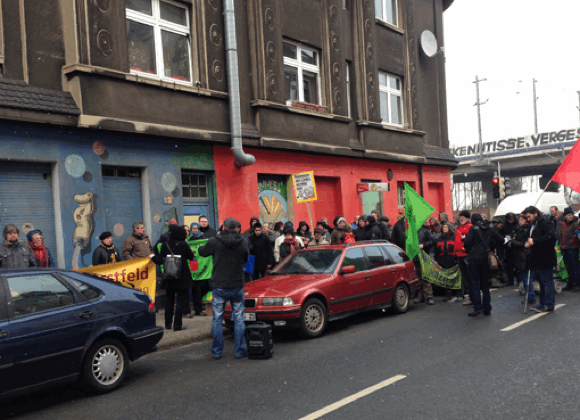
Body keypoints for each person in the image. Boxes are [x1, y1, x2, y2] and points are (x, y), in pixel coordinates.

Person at [198, 217, 249, 359]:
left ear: (224, 227)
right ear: (236, 228)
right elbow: (245, 258)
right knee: (239, 318)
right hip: (237, 283)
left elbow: (202, 252)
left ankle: (217, 351)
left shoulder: (215, 240)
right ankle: (240, 350)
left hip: (219, 284)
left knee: (217, 319)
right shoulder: (243, 241)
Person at [152, 226, 195, 331]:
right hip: (182, 277)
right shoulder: (183, 244)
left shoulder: (165, 245)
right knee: (180, 301)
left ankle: (167, 324)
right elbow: (190, 257)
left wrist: (152, 256)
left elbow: (160, 260)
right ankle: (177, 325)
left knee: (169, 300)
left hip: (169, 276)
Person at [463, 213, 503, 317]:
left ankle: (477, 307)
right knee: (485, 284)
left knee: (474, 283)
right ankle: (487, 308)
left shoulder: (473, 228)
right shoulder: (490, 227)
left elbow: (467, 242)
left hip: (474, 258)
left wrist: (464, 239)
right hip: (486, 257)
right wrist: (491, 247)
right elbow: (500, 239)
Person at [523, 206, 557, 313]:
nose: (528, 219)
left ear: (535, 214)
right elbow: (529, 238)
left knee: (547, 281)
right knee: (542, 282)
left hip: (546, 257)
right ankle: (542, 303)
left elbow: (551, 237)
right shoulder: (532, 225)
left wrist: (535, 241)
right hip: (537, 257)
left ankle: (549, 304)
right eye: (526, 217)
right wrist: (527, 243)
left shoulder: (545, 223)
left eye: (529, 216)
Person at [512, 213, 536, 305]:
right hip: (519, 255)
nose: (519, 221)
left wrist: (514, 242)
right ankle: (529, 295)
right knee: (524, 277)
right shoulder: (519, 229)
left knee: (527, 278)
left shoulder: (527, 229)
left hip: (524, 255)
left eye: (521, 219)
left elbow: (523, 243)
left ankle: (531, 296)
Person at [556, 206, 580, 291]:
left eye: (571, 215)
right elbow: (558, 234)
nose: (571, 216)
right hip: (564, 247)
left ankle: (577, 284)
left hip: (573, 247)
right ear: (565, 216)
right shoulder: (561, 224)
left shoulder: (576, 223)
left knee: (575, 266)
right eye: (569, 215)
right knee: (568, 267)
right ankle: (570, 284)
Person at [434, 224, 460, 302]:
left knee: (456, 277)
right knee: (446, 278)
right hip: (443, 261)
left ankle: (459, 293)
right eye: (443, 227)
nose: (444, 229)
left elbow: (457, 247)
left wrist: (456, 258)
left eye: (446, 227)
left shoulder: (454, 237)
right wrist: (438, 260)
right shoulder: (439, 239)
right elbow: (436, 251)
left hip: (453, 260)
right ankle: (448, 293)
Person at [414, 220, 435, 305]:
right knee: (418, 277)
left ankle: (429, 296)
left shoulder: (425, 231)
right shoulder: (410, 232)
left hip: (424, 256)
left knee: (425, 276)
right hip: (415, 257)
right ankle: (420, 296)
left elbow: (432, 242)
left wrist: (424, 245)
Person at [454, 210, 472, 305]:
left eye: (463, 217)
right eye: (460, 216)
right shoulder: (459, 228)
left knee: (469, 276)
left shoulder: (470, 227)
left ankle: (471, 296)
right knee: (464, 276)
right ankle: (468, 295)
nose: (461, 218)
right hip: (459, 254)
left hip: (466, 254)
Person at [500, 212, 519, 286]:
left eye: (511, 219)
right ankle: (510, 280)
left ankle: (518, 279)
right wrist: (505, 236)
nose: (510, 221)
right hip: (507, 246)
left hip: (515, 246)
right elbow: (501, 233)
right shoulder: (505, 225)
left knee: (517, 264)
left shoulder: (517, 225)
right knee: (509, 264)